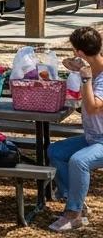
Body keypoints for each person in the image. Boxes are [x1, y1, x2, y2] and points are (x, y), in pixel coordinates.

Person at [49, 26, 103, 231]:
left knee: (79, 161)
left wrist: (85, 78)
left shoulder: (97, 76)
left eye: (73, 50)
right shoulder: (90, 69)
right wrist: (74, 70)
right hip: (92, 138)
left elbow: (92, 107)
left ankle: (74, 214)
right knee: (55, 151)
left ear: (79, 52)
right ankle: (74, 199)